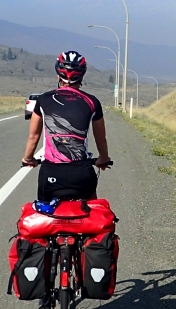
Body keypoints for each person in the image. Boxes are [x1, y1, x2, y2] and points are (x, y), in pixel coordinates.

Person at [21, 50, 111, 202]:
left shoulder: (43, 100)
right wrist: (103, 158)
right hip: (81, 172)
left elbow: (33, 136)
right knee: (91, 214)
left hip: (51, 172)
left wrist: (28, 159)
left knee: (44, 214)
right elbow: (101, 139)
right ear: (82, 76)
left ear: (58, 74)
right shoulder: (92, 102)